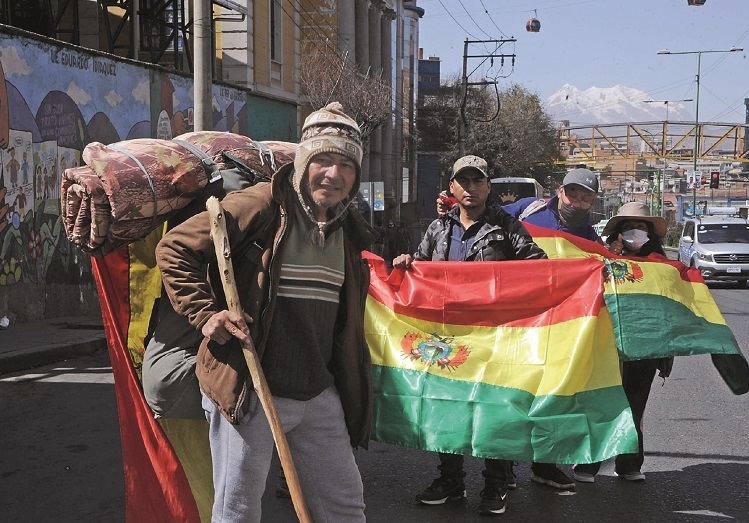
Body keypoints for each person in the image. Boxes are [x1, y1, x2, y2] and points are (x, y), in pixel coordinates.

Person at [156, 102, 378, 522]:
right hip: (252, 386)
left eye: (346, 165)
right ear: (303, 162)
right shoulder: (261, 206)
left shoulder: (348, 230)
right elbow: (174, 248)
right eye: (323, 160)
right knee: (237, 510)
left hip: (317, 392)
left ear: (356, 176)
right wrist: (207, 315)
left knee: (345, 507)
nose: (334, 174)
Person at [393, 154, 546, 516]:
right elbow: (421, 270)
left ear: (488, 187)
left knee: (494, 409)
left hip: (494, 338)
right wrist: (405, 265)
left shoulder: (507, 227)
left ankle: (496, 484)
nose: (470, 188)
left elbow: (537, 267)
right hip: (447, 340)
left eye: (478, 181)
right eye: (463, 181)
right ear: (452, 187)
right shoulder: (437, 229)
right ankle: (450, 480)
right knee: (447, 408)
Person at [502, 167, 600, 491]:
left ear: (592, 203)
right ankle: (503, 469)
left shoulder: (590, 239)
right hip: (519, 320)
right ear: (560, 191)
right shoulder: (527, 209)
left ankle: (544, 466)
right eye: (573, 194)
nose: (578, 201)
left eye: (586, 198)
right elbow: (489, 223)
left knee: (553, 396)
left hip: (559, 329)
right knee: (514, 394)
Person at [573, 201, 672, 483]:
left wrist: (665, 352)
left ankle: (629, 464)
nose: (636, 232)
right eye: (629, 227)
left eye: (641, 227)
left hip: (646, 348)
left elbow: (671, 310)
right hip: (607, 345)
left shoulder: (663, 266)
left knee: (634, 406)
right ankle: (588, 464)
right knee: (600, 402)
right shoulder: (600, 261)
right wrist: (607, 259)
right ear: (618, 232)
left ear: (650, 233)